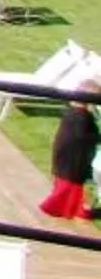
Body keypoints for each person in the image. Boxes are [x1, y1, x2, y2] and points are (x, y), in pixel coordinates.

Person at [40, 87, 99, 220]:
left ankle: (68, 208)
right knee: (69, 186)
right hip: (73, 158)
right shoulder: (81, 116)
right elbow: (83, 136)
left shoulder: (72, 113)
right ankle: (68, 209)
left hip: (66, 155)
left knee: (65, 184)